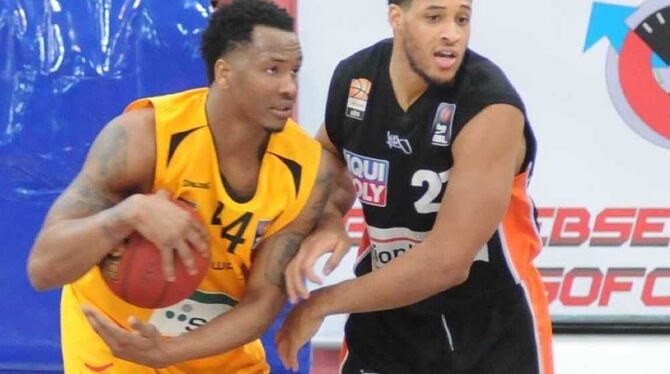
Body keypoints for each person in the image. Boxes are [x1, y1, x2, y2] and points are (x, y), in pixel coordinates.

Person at [26, 1, 335, 373]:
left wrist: (168, 352)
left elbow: (261, 303)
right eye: (272, 70)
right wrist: (129, 214)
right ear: (224, 73)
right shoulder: (143, 137)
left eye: (294, 72)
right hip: (117, 345)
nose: (289, 88)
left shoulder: (308, 169)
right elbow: (43, 268)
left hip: (213, 350)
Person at [276, 0, 554, 373]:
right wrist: (328, 218)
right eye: (434, 17)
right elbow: (331, 152)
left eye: (462, 19)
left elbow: (447, 265)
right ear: (396, 17)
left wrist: (320, 303)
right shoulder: (357, 78)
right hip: (385, 313)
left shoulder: (490, 107)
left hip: (487, 325)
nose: (451, 34)